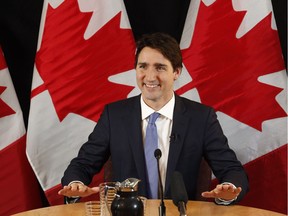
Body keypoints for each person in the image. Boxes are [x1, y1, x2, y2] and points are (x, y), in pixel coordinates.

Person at [58, 32, 249, 205]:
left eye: (160, 68)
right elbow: (82, 164)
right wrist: (76, 184)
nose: (150, 76)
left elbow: (232, 170)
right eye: (143, 67)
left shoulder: (201, 117)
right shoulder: (114, 115)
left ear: (176, 72)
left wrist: (229, 188)